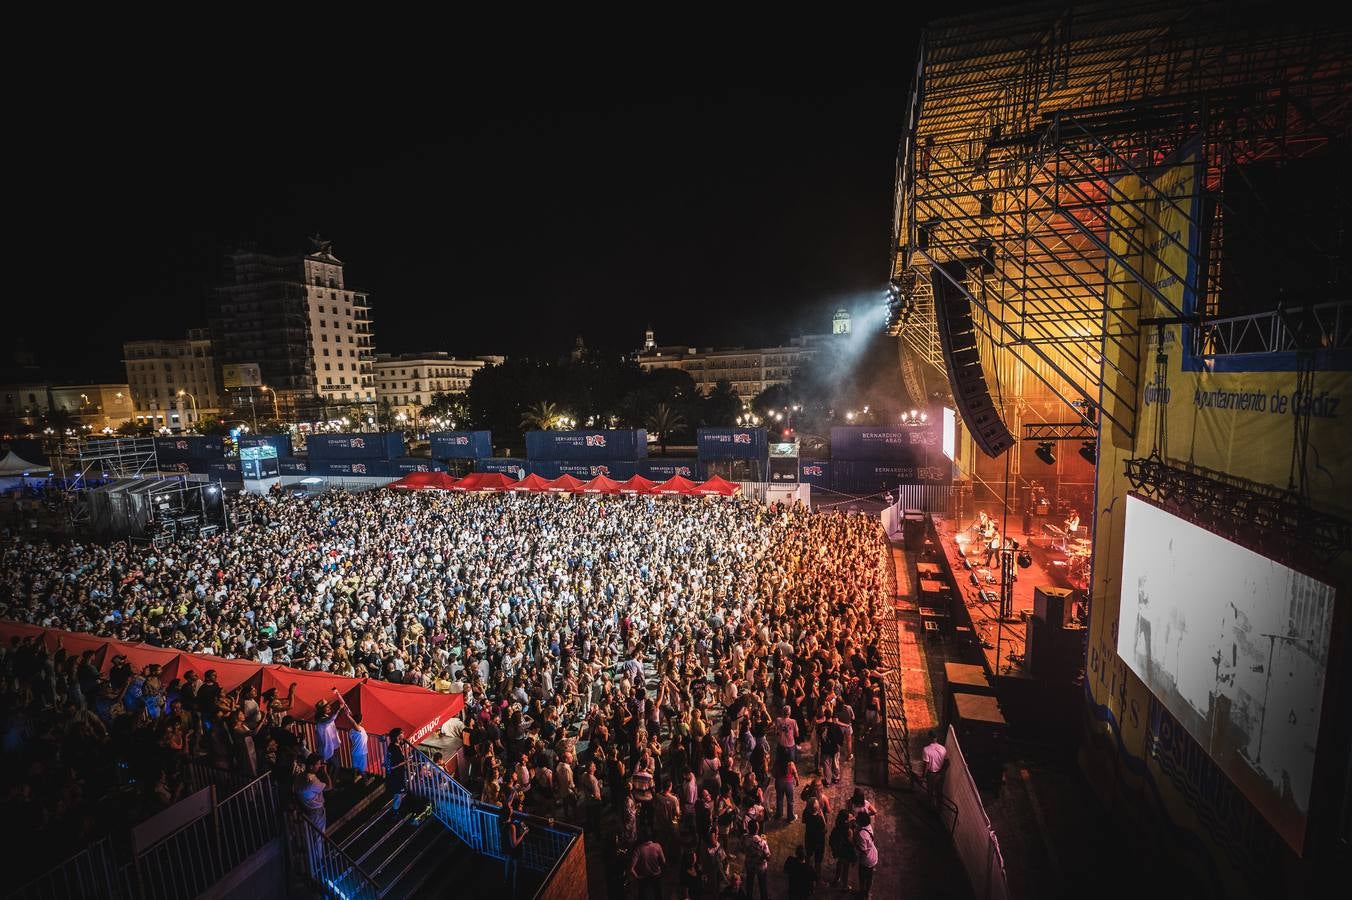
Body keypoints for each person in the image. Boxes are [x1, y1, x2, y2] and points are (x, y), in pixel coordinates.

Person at [295, 752, 333, 833]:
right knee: (319, 834)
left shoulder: (300, 776)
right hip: (316, 811)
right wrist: (325, 772)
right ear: (311, 766)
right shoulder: (312, 781)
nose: (319, 766)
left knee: (312, 834)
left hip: (306, 809)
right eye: (318, 764)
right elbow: (329, 787)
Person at [500, 795, 529, 893]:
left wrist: (513, 792)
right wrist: (524, 833)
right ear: (509, 813)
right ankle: (514, 890)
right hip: (514, 850)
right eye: (511, 808)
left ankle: (505, 882)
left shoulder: (501, 821)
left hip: (506, 847)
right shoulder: (511, 826)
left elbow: (508, 804)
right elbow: (514, 844)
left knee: (508, 862)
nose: (511, 807)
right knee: (516, 869)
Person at [629, 830, 667, 900]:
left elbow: (631, 869)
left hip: (643, 876)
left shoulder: (639, 849)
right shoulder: (657, 846)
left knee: (642, 896)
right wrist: (659, 868)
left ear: (642, 837)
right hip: (656, 875)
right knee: (658, 895)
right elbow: (663, 861)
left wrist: (637, 877)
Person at [742, 819, 771, 900]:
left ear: (748, 828)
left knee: (749, 883)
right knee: (762, 885)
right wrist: (764, 842)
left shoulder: (744, 838)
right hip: (760, 867)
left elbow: (742, 849)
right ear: (757, 829)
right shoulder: (762, 842)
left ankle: (749, 897)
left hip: (749, 864)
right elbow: (768, 857)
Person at [828, 809, 856, 890]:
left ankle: (836, 879)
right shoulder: (849, 830)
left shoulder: (838, 826)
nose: (851, 817)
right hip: (845, 851)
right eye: (849, 817)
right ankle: (844, 886)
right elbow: (851, 843)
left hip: (839, 850)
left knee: (839, 863)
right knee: (846, 869)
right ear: (846, 820)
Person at [854, 811, 879, 898]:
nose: (856, 818)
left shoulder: (861, 834)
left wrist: (854, 843)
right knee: (870, 876)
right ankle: (868, 893)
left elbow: (863, 850)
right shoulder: (868, 827)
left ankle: (862, 893)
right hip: (873, 854)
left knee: (862, 876)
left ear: (861, 821)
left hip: (867, 859)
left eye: (857, 818)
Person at [802, 796, 828, 877]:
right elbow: (825, 829)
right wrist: (822, 815)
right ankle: (817, 877)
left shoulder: (806, 812)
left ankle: (806, 873)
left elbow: (803, 821)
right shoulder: (819, 818)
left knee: (808, 855)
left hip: (809, 837)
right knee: (818, 861)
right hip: (819, 841)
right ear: (816, 808)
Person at [385, 727, 409, 811]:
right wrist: (405, 762)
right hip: (396, 775)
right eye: (402, 733)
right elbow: (392, 766)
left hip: (399, 774)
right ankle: (395, 811)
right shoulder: (394, 748)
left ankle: (396, 809)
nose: (404, 734)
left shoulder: (397, 745)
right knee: (398, 794)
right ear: (397, 736)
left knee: (398, 793)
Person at [922, 730, 948, 806]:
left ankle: (929, 807)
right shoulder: (943, 748)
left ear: (929, 738)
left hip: (931, 774)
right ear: (936, 738)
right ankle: (939, 808)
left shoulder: (926, 749)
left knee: (930, 792)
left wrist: (923, 776)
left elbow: (926, 764)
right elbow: (946, 762)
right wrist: (942, 772)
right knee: (939, 792)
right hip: (940, 774)